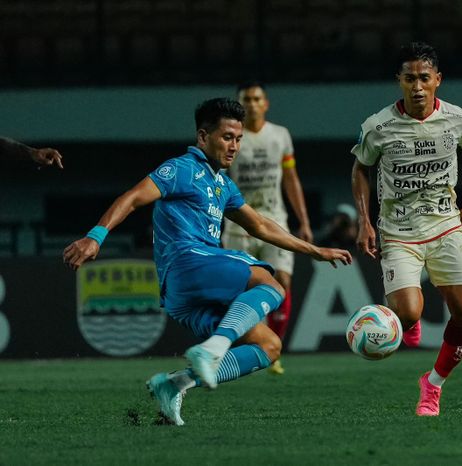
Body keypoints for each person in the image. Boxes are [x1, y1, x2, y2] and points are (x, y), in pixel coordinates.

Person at [63, 98, 351, 426]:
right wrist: (95, 236)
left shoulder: (223, 185)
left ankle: (174, 384)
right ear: (203, 137)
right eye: (227, 137)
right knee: (268, 282)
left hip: (186, 296)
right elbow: (132, 198)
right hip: (187, 262)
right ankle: (214, 346)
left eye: (239, 139)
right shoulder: (182, 169)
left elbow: (260, 225)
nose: (235, 146)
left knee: (269, 346)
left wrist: (315, 250)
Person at [350, 42, 462, 416]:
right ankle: (405, 322)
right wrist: (364, 221)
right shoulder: (378, 126)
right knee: (409, 314)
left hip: (445, 227)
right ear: (399, 81)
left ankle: (433, 385)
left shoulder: (459, 119)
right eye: (410, 78)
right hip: (398, 233)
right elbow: (361, 169)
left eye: (425, 77)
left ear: (438, 80)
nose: (417, 86)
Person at [221, 82, 313, 375]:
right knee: (240, 290)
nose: (251, 103)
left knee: (282, 280)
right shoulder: (231, 137)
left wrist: (304, 221)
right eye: (246, 99)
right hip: (238, 225)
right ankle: (254, 344)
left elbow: (291, 178)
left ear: (266, 103)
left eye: (256, 98)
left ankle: (276, 348)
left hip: (274, 219)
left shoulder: (280, 135)